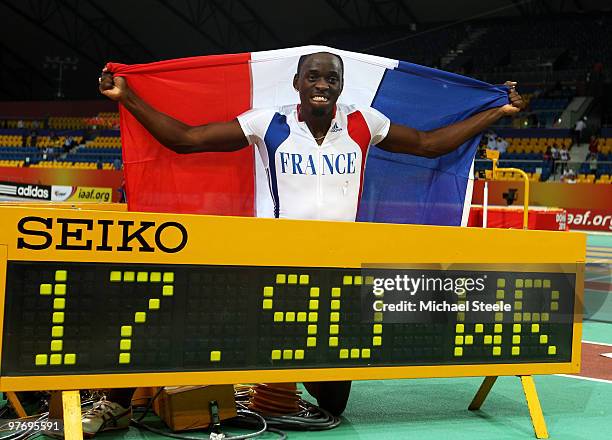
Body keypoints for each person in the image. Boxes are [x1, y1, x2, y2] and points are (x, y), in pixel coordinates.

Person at [88, 52, 524, 437]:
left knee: (332, 404)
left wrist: (497, 111)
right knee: (187, 319)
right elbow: (184, 139)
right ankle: (118, 400)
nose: (322, 85)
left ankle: (281, 381)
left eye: (331, 79)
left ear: (340, 85)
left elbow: (430, 145)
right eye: (313, 77)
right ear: (297, 82)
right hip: (275, 260)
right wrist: (127, 97)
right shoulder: (267, 122)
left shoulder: (363, 122)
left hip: (337, 268)